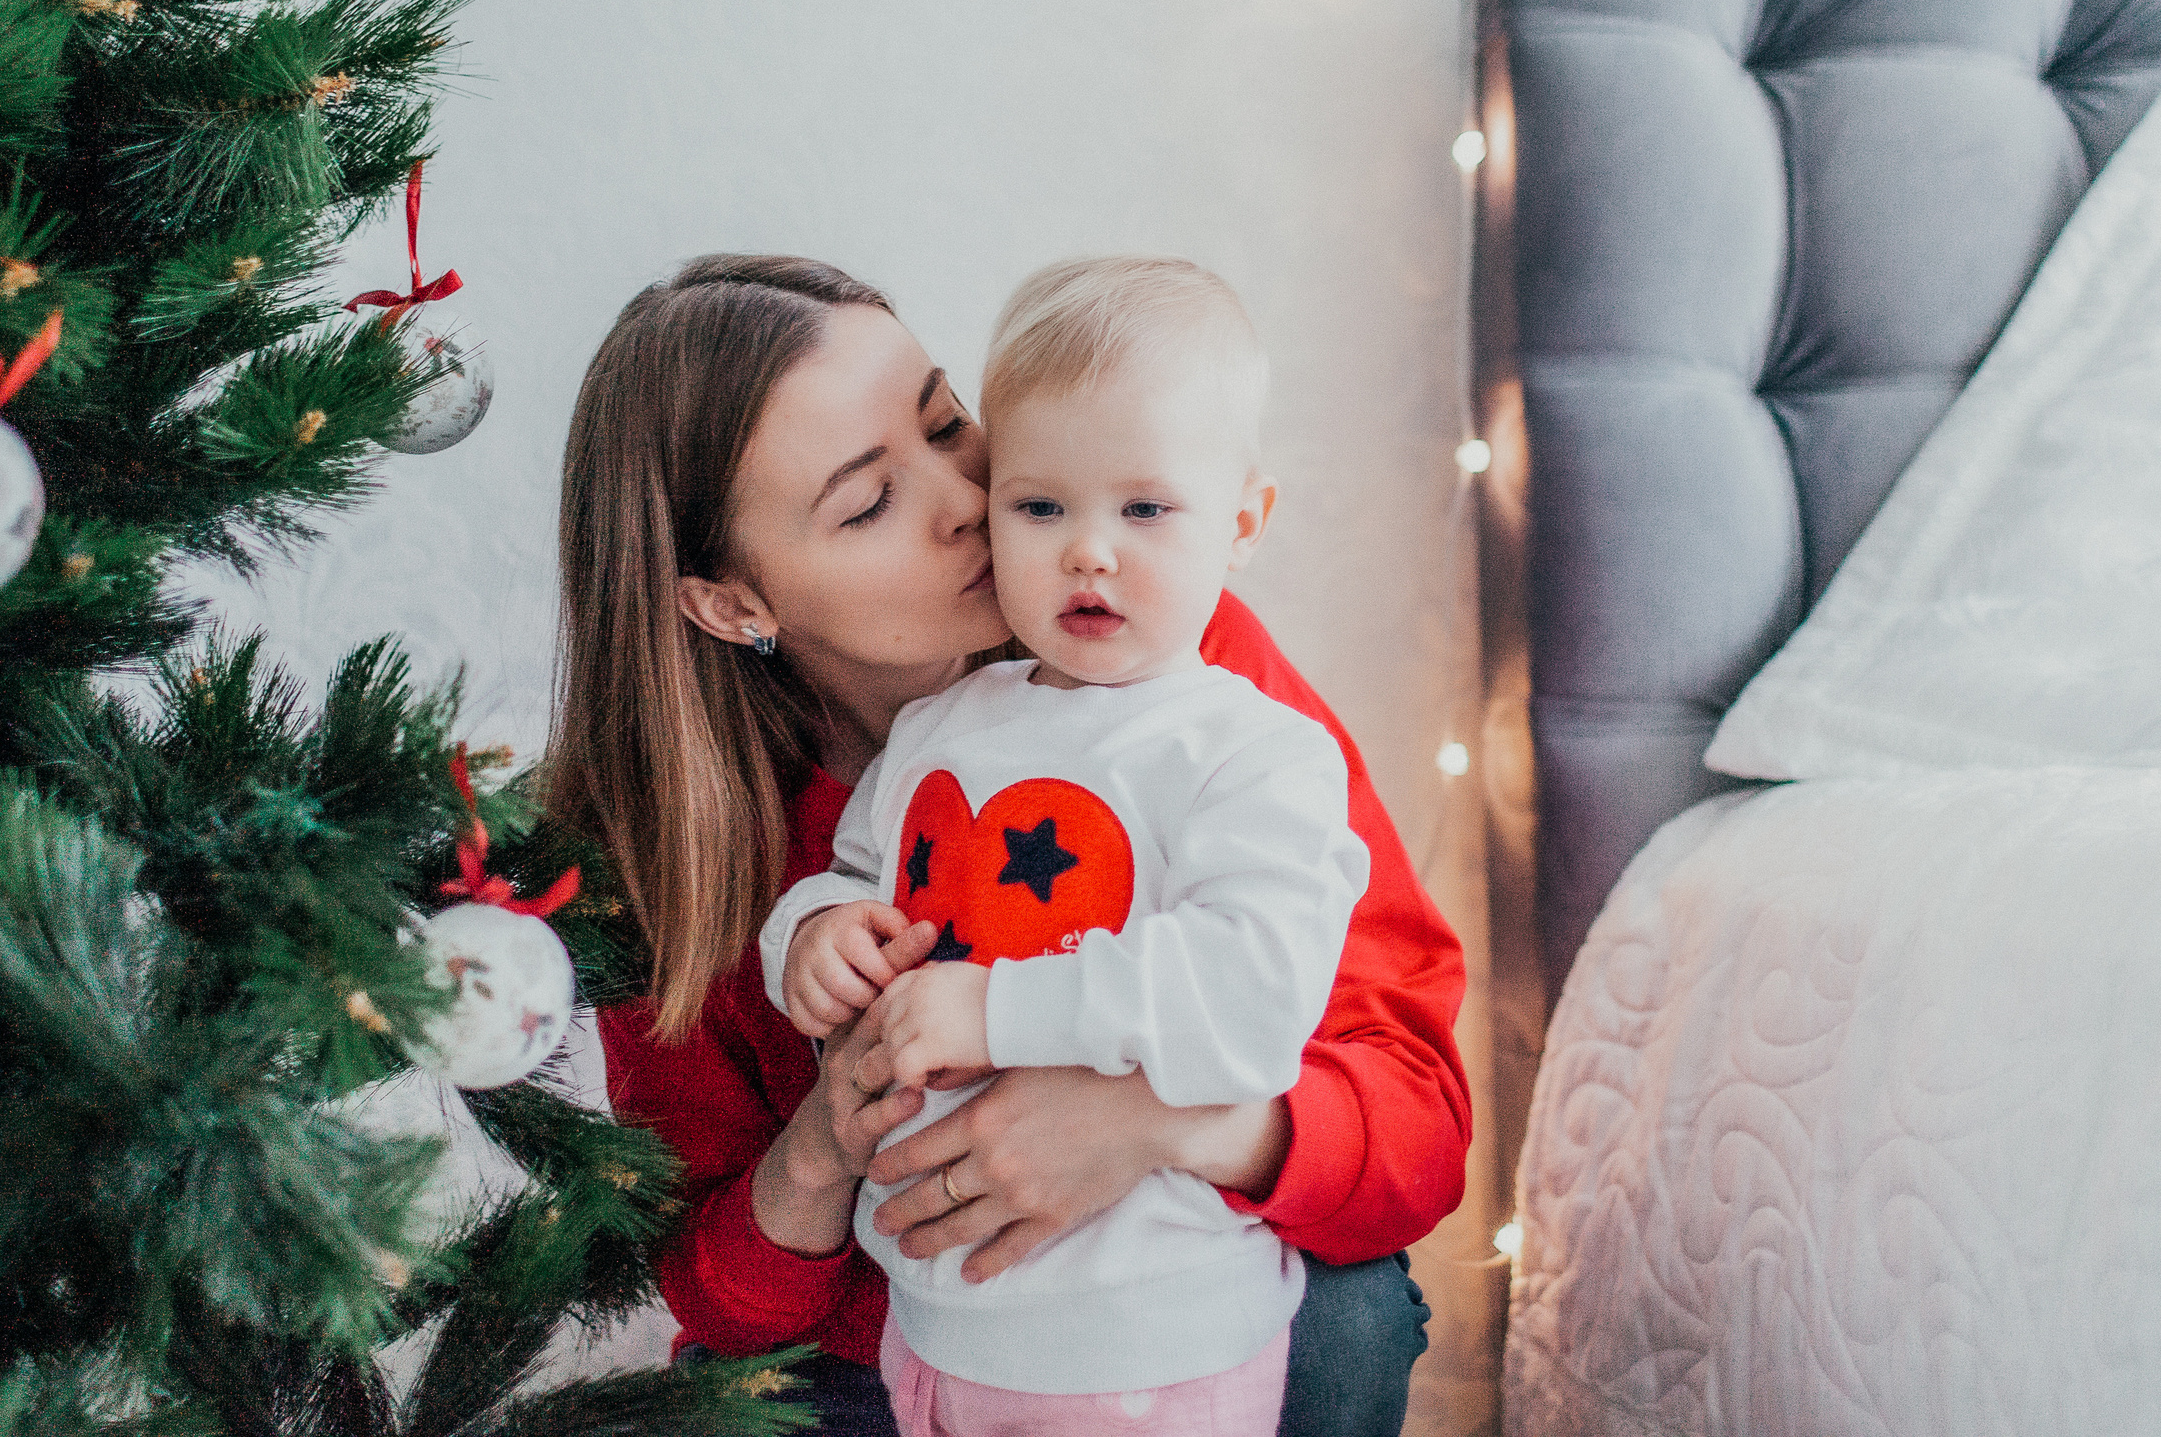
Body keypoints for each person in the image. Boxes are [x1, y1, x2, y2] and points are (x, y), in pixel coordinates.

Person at [543, 254, 1469, 1436]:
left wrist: (1159, 1123)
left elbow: (1418, 1118)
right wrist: (823, 1146)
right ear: (731, 603)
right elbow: (718, 1303)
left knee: (1345, 1312)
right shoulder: (678, 848)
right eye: (868, 501)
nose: (962, 500)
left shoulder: (1180, 661)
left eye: (947, 424)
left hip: (1171, 1309)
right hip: (895, 1353)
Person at [763, 256, 1366, 1435]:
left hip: (1143, 1338)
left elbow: (1252, 997)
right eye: (1040, 507)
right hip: (933, 1332)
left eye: (1144, 508)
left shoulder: (1249, 749)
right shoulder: (939, 730)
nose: (1090, 549)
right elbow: (851, 876)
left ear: (1241, 521)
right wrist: (814, 932)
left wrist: (995, 1012)